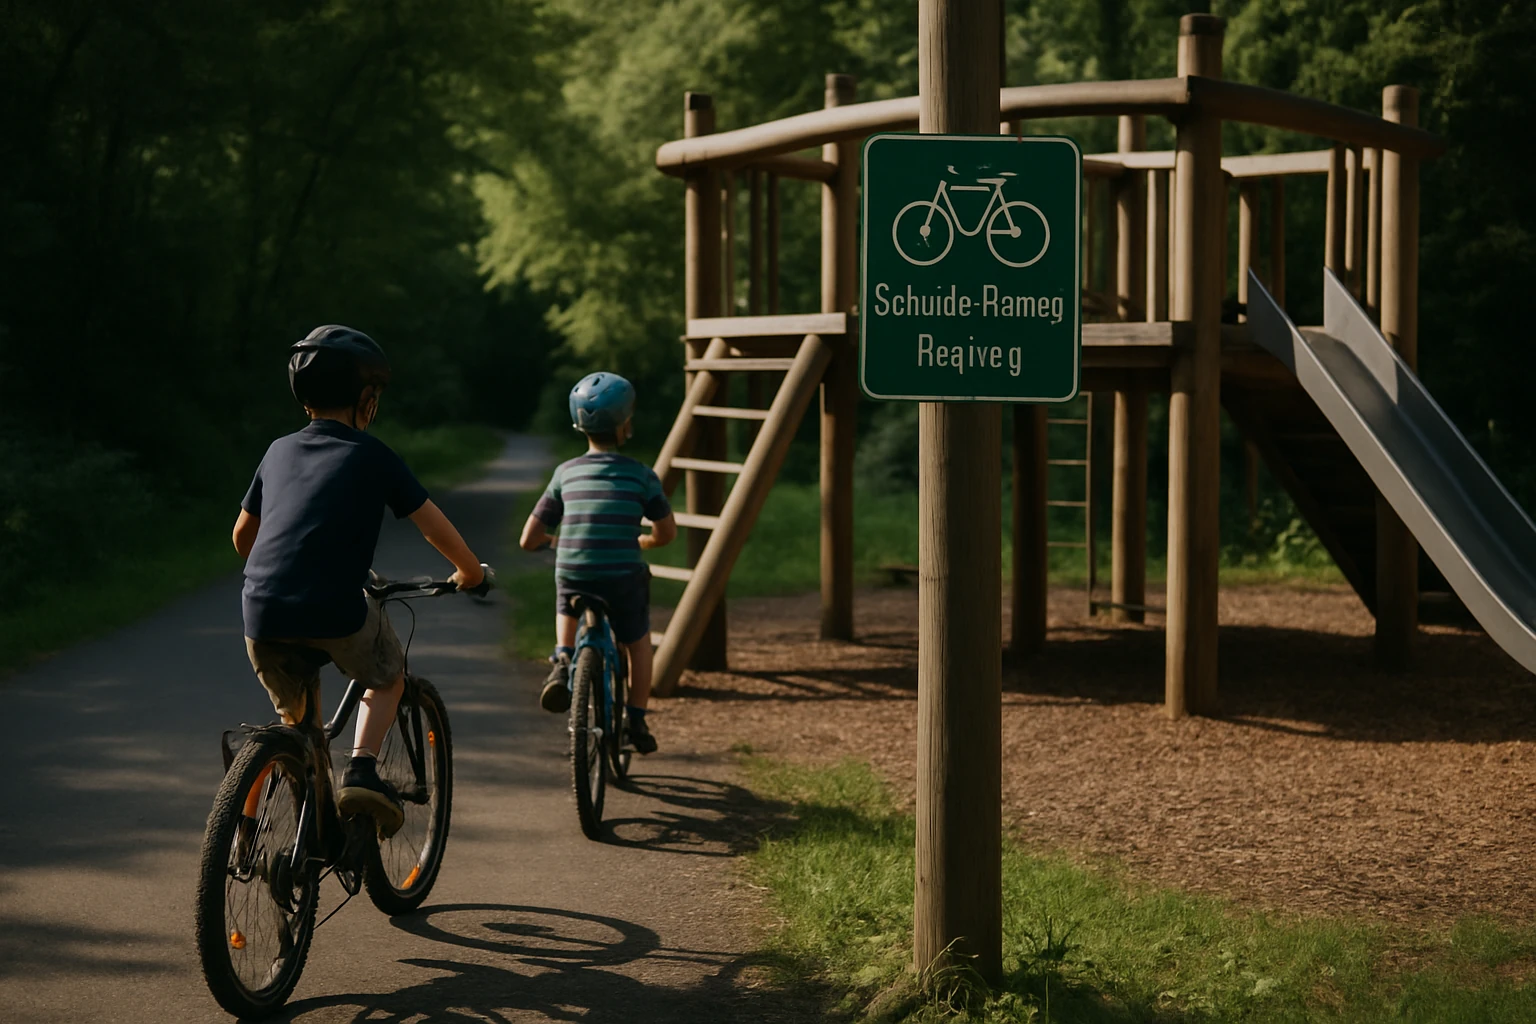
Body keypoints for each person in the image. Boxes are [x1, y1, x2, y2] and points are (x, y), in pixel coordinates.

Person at [233, 325, 486, 833]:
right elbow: (432, 524)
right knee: (390, 674)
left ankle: (270, 828)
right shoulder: (373, 455)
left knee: (298, 727)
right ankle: (364, 770)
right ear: (367, 398)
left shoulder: (277, 450)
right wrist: (470, 571)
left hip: (261, 614)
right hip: (335, 611)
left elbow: (243, 538)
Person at [518, 372, 675, 754]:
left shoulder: (565, 473)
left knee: (566, 590)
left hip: (574, 569)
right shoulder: (641, 476)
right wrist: (646, 541)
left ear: (579, 425)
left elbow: (528, 539)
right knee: (638, 642)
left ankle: (563, 657)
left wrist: (555, 542)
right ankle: (636, 718)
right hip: (622, 575)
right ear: (626, 425)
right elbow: (666, 532)